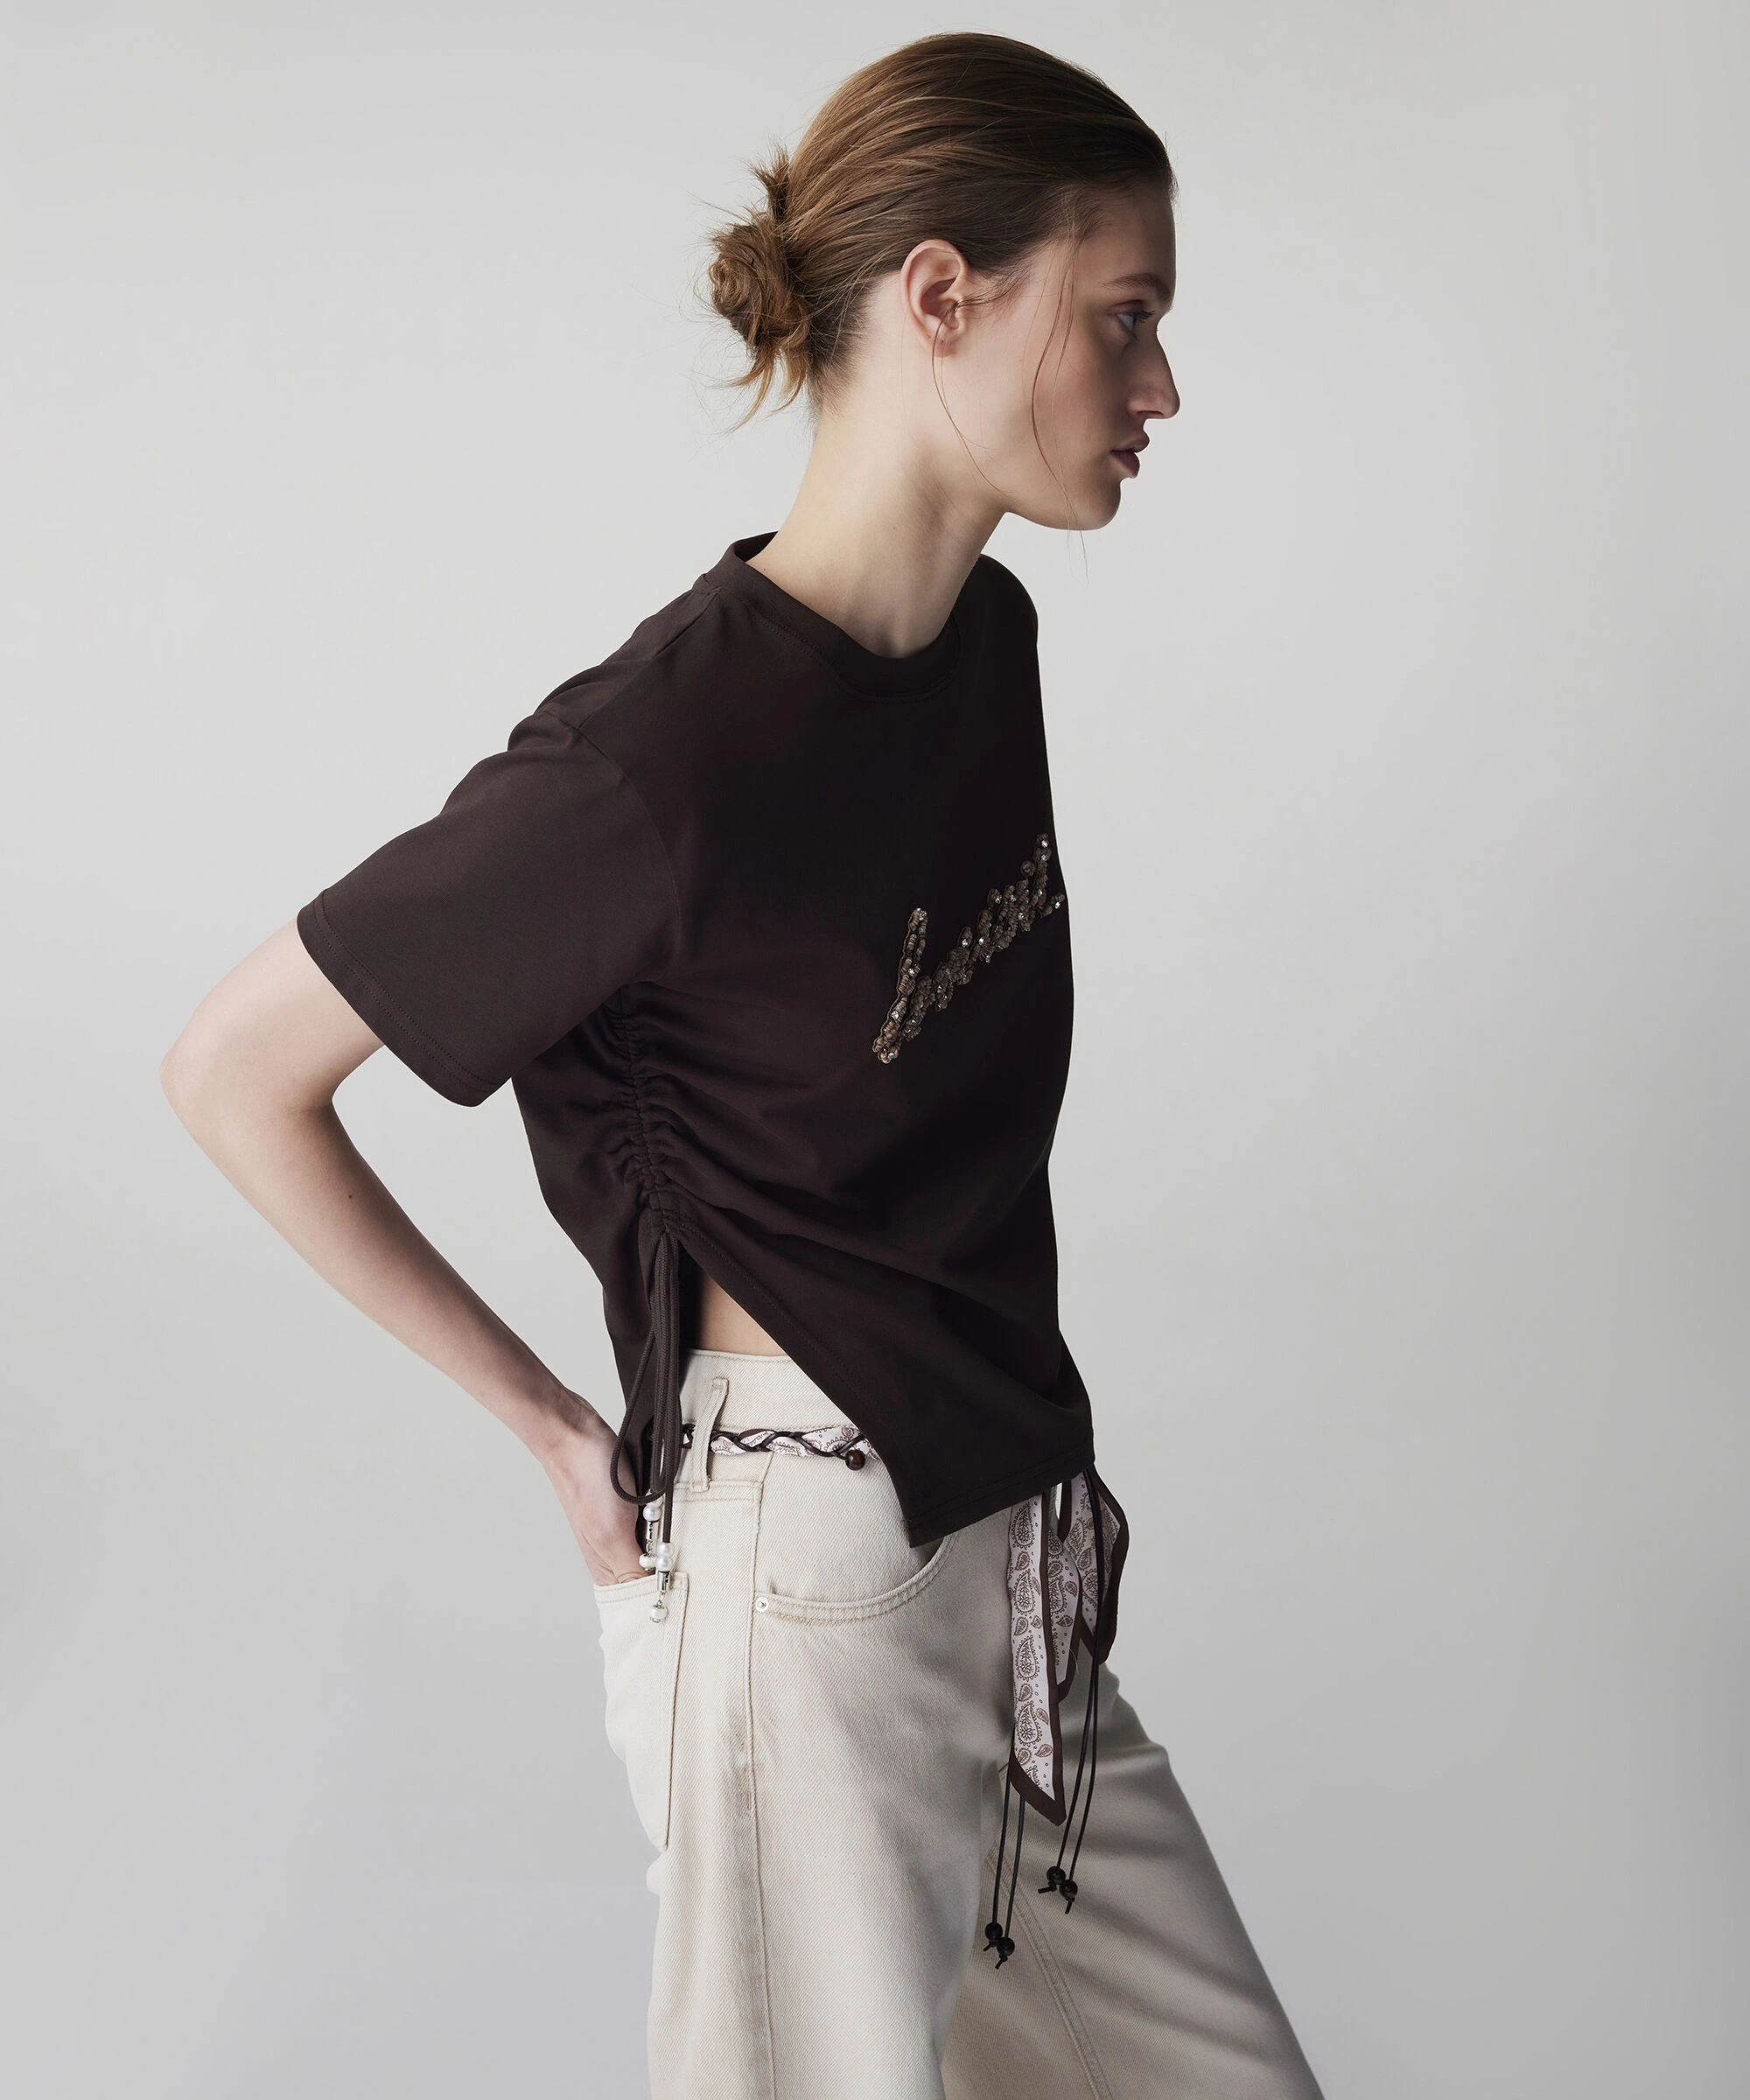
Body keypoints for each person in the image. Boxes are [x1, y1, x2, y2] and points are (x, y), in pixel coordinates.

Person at [161, 30, 1326, 2100]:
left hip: (1008, 1559)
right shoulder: (660, 762)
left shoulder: (981, 650)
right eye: (1123, 318)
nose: (1159, 389)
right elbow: (236, 1068)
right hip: (808, 1589)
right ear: (942, 296)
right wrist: (546, 1427)